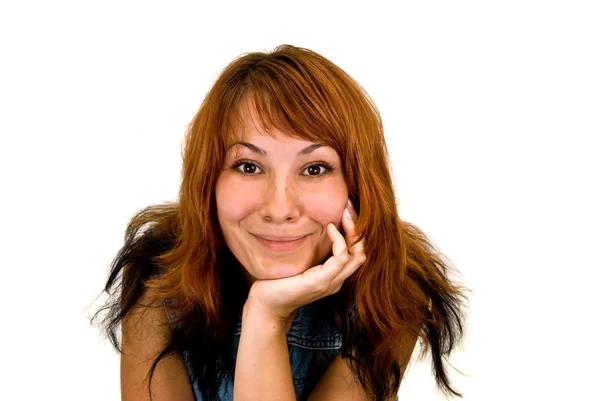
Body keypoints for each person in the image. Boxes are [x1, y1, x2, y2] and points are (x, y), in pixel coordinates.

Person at [93, 44, 467, 401]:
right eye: (248, 166)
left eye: (315, 168)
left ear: (357, 186)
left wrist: (266, 316)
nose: (279, 208)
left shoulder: (391, 290)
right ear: (208, 182)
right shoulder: (157, 273)